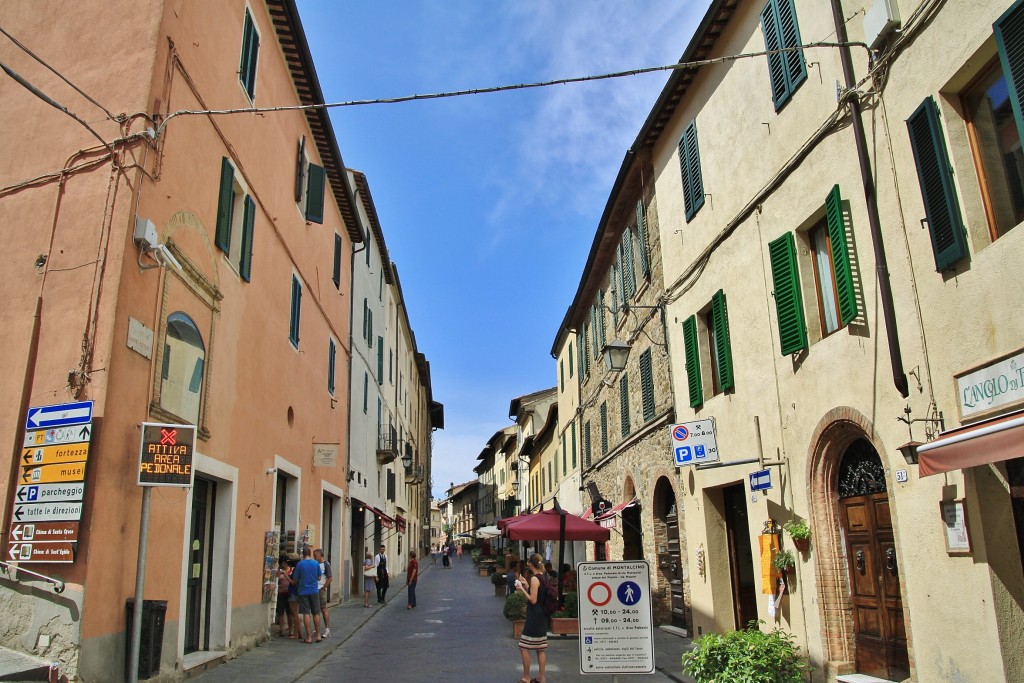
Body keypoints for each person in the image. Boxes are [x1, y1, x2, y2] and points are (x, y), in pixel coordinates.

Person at [515, 553, 548, 683]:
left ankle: (526, 677)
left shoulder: (534, 578)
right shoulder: (543, 577)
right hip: (541, 615)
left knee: (524, 647)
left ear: (530, 563)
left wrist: (521, 589)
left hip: (534, 615)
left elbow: (533, 600)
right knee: (540, 648)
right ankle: (541, 677)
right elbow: (538, 595)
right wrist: (526, 586)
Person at [290, 547, 323, 643]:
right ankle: (318, 635)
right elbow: (319, 577)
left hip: (303, 591)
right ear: (310, 554)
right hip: (314, 590)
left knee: (306, 614)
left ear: (303, 554)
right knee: (316, 613)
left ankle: (308, 637)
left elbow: (295, 580)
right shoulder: (316, 563)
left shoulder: (300, 564)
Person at [313, 548, 332, 637]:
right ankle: (317, 629)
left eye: (315, 555)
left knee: (323, 608)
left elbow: (330, 578)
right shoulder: (316, 564)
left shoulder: (326, 564)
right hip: (315, 589)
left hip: (320, 589)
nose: (314, 557)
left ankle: (327, 629)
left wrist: (324, 587)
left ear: (320, 555)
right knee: (316, 610)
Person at [276, 554, 295, 637]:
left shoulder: (291, 570)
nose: (283, 565)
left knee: (289, 612)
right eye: (282, 563)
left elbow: (293, 581)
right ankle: (282, 628)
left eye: (284, 563)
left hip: (289, 592)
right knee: (280, 611)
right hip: (280, 592)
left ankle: (291, 628)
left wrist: (285, 575)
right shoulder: (279, 571)